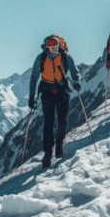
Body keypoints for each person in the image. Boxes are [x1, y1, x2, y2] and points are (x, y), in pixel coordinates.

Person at [28, 35, 82, 167]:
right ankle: (47, 154)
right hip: (47, 91)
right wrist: (31, 96)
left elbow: (76, 72)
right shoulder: (40, 58)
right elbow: (34, 78)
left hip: (62, 89)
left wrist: (77, 81)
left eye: (56, 48)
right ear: (46, 48)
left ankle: (59, 144)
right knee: (48, 122)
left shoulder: (66, 57)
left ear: (59, 47)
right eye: (51, 48)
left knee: (63, 120)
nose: (53, 50)